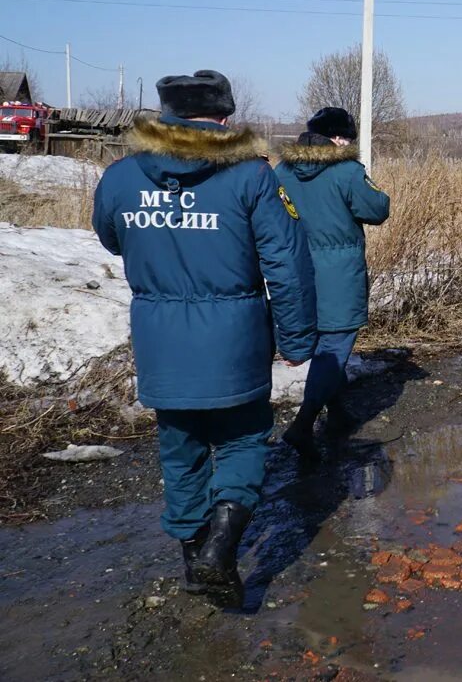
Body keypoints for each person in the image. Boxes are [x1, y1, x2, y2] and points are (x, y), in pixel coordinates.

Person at [92, 70, 317, 607]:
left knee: (180, 447)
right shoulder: (251, 177)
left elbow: (110, 237)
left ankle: (196, 561)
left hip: (160, 337)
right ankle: (220, 549)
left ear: (166, 114)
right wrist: (297, 338)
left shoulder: (121, 176)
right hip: (234, 336)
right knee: (242, 439)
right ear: (223, 117)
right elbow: (286, 262)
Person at [274, 107, 391, 458]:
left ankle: (337, 413)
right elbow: (378, 209)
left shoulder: (281, 171)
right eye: (348, 138)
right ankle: (303, 425)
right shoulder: (346, 171)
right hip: (339, 275)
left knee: (326, 346)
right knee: (335, 346)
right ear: (338, 138)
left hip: (296, 273)